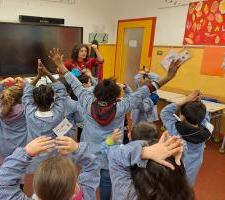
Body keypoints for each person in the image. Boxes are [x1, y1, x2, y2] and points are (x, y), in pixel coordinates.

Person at [49, 48, 182, 200]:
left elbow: (75, 83)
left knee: (86, 178)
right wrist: (169, 76)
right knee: (107, 181)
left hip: (88, 151)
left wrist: (60, 64)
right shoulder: (122, 106)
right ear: (117, 96)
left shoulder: (86, 101)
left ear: (95, 94)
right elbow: (145, 90)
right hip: (110, 153)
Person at [0, 136, 100, 200]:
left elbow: (0, 184)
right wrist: (78, 149)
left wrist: (26, 153)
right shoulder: (86, 194)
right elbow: (93, 166)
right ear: (74, 188)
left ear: (36, 188)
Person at [107, 131, 195, 200]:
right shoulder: (183, 193)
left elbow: (113, 155)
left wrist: (144, 152)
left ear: (139, 175)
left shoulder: (127, 194)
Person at [23, 59, 67, 173]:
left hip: (35, 158)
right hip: (53, 158)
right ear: (53, 99)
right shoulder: (57, 114)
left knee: (39, 183)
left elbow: (27, 92)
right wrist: (47, 73)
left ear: (35, 101)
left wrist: (38, 76)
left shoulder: (30, 114)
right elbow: (62, 91)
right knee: (54, 181)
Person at [160, 90, 212, 185]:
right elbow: (204, 117)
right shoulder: (206, 131)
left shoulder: (175, 129)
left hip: (175, 166)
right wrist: (199, 104)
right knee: (187, 186)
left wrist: (186, 100)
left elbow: (165, 112)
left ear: (182, 116)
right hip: (193, 167)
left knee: (172, 186)